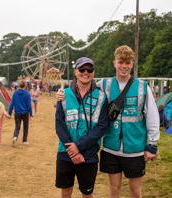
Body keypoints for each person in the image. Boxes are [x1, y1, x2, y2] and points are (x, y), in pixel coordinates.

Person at [56, 45, 160, 198]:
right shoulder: (103, 84)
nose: (124, 66)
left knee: (136, 191)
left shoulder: (142, 87)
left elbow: (152, 116)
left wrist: (152, 144)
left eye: (128, 62)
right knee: (114, 189)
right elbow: (82, 87)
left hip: (135, 148)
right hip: (111, 148)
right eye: (120, 62)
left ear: (132, 64)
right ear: (114, 63)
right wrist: (62, 93)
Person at [55, 57, 109, 198]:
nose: (86, 72)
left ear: (93, 72)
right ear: (75, 71)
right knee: (66, 192)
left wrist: (78, 147)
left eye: (89, 69)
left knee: (87, 193)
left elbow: (102, 126)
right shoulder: (64, 95)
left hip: (88, 154)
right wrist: (72, 150)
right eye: (82, 69)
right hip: (65, 152)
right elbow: (59, 124)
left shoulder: (102, 97)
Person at [8, 80, 33, 147]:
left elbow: (12, 104)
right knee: (25, 126)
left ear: (18, 85)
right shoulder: (27, 94)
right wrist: (31, 114)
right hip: (25, 112)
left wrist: (9, 113)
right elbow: (29, 105)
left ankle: (15, 136)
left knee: (17, 126)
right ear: (25, 86)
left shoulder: (15, 93)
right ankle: (24, 140)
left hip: (17, 112)